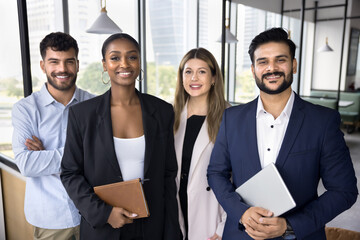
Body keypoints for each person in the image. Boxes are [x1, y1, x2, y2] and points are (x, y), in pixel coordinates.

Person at [207, 27, 358, 240]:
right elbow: (216, 173)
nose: (272, 68)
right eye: (263, 62)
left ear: (293, 65)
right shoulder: (232, 118)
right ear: (253, 69)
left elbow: (344, 191)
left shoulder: (322, 121)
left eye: (280, 60)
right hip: (240, 235)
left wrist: (289, 226)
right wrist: (241, 212)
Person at [60, 33, 180, 240]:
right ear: (104, 64)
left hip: (152, 227)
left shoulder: (162, 111)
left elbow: (168, 175)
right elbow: (70, 173)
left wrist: (171, 231)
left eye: (132, 57)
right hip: (105, 228)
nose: (124, 64)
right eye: (115, 58)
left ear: (139, 62)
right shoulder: (82, 115)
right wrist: (104, 213)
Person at [11, 32, 94, 240]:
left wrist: (47, 156)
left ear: (77, 64)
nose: (62, 69)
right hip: (50, 218)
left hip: (92, 213)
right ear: (42, 65)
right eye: (54, 62)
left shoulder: (94, 105)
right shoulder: (25, 109)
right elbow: (27, 164)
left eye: (69, 62)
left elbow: (105, 156)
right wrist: (81, 152)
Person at [173, 48, 228, 240]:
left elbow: (238, 180)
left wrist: (223, 228)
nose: (194, 78)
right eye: (188, 72)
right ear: (181, 78)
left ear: (214, 78)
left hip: (210, 215)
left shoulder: (230, 118)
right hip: (175, 213)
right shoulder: (170, 116)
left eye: (202, 71)